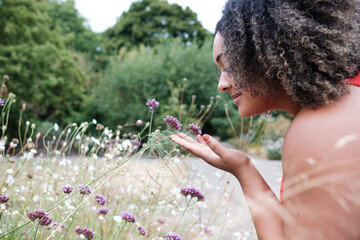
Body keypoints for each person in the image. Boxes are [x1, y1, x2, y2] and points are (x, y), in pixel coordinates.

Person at [170, 0, 360, 239]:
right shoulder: (345, 102)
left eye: (229, 64)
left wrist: (244, 173)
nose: (222, 85)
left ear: (271, 49)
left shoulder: (321, 128)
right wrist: (243, 167)